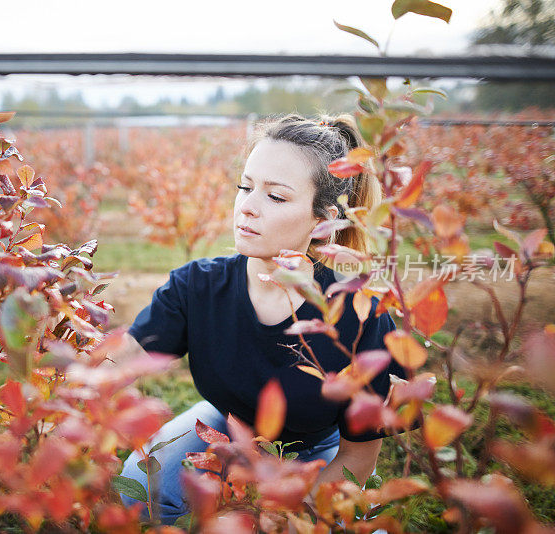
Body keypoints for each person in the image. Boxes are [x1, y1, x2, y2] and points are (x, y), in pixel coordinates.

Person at [117, 114, 410, 525]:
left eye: (276, 197)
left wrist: (295, 513)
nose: (247, 207)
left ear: (323, 222)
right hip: (224, 423)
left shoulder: (362, 319)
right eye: (245, 187)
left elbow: (358, 454)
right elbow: (122, 359)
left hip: (315, 452)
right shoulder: (197, 287)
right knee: (137, 485)